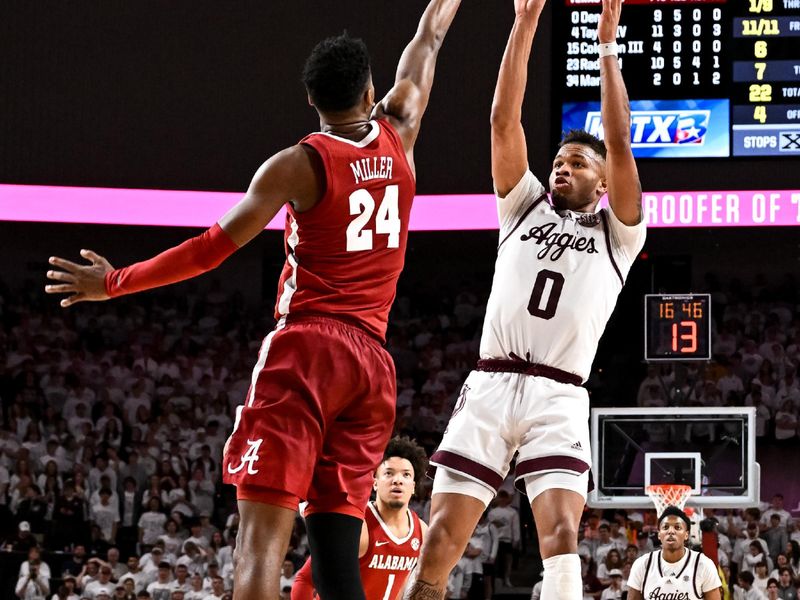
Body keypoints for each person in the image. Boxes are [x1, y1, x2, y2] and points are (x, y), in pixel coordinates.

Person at [45, 3, 462, 599]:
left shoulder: (298, 163)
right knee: (339, 558)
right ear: (372, 90)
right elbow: (429, 40)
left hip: (309, 348)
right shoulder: (402, 129)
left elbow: (211, 249)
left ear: (312, 102)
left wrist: (114, 282)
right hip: (373, 365)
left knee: (260, 543)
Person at [406, 0, 646, 597]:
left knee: (562, 538)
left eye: (578, 163)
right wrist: (525, 21)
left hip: (558, 395)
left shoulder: (620, 236)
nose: (562, 168)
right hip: (489, 384)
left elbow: (618, 139)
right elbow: (502, 123)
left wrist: (608, 46)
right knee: (438, 544)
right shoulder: (522, 206)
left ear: (604, 178)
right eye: (559, 161)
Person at [292, 436, 428, 600]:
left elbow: (400, 589)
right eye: (389, 473)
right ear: (375, 482)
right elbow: (305, 580)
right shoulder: (355, 525)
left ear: (413, 486)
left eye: (406, 475)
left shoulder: (422, 531)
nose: (397, 480)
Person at [627, 507, 722, 600]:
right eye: (665, 527)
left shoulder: (704, 564)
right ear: (659, 534)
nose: (671, 531)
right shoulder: (642, 565)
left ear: (686, 535)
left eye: (677, 527)